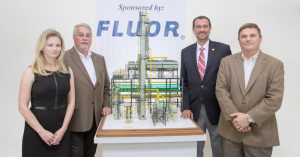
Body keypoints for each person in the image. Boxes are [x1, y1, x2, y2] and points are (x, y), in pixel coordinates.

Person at [216, 23, 284, 157]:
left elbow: (274, 99)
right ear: (239, 40)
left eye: (252, 35)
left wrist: (248, 118)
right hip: (231, 131)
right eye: (244, 36)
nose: (248, 39)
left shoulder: (275, 65)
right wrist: (237, 119)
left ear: (260, 38)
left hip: (260, 133)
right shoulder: (226, 62)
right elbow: (221, 90)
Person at [180, 16, 231, 157]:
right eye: (198, 26)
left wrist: (228, 108)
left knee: (219, 149)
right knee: (195, 149)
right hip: (194, 111)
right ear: (193, 30)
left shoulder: (223, 49)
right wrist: (185, 107)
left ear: (210, 28)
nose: (202, 29)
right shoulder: (186, 52)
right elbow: (183, 82)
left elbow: (230, 81)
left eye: (205, 26)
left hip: (218, 109)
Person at [19, 29, 75, 157]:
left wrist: (64, 129)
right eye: (50, 45)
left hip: (60, 130)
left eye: (58, 45)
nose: (54, 49)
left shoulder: (68, 71)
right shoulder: (30, 72)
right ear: (42, 47)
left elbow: (71, 102)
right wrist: (41, 132)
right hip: (36, 130)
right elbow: (22, 107)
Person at [64, 23, 111, 157]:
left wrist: (106, 104)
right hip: (75, 119)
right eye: (81, 35)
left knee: (90, 154)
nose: (84, 38)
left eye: (88, 35)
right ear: (74, 38)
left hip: (96, 119)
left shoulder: (99, 59)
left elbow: (106, 86)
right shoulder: (65, 58)